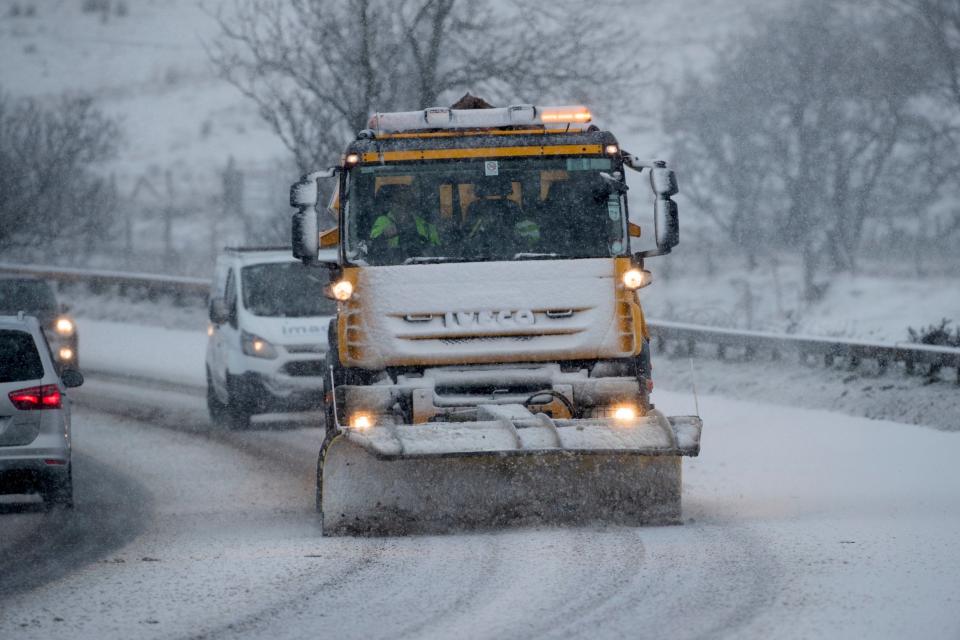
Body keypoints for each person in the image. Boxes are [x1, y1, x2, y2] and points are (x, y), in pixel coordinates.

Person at [369, 185, 440, 259]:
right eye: (399, 201)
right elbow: (372, 249)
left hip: (423, 267)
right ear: (391, 203)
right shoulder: (382, 221)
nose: (403, 206)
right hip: (391, 267)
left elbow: (438, 252)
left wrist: (425, 249)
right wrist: (384, 236)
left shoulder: (425, 225)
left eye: (408, 202)